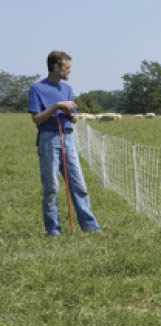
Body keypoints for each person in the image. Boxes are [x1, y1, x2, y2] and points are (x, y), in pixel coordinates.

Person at [28, 50, 100, 235]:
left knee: (79, 185)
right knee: (52, 187)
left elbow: (71, 117)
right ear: (55, 67)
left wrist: (71, 115)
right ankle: (53, 231)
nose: (69, 71)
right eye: (67, 68)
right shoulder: (37, 88)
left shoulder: (67, 88)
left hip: (68, 137)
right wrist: (57, 106)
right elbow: (37, 119)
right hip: (49, 139)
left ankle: (91, 228)